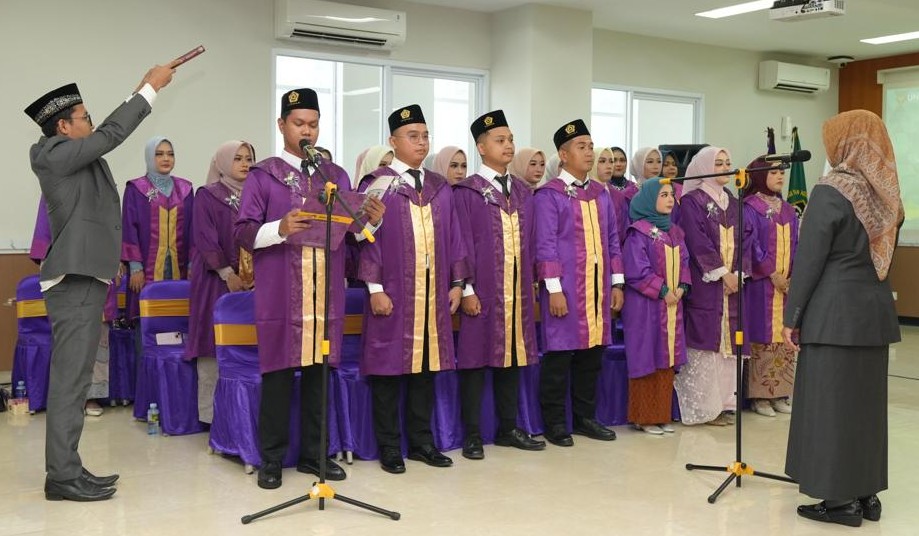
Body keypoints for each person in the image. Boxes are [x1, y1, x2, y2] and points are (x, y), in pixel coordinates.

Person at [24, 65, 175, 502]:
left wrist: (139, 90)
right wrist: (148, 90)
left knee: (75, 380)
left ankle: (67, 468)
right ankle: (62, 476)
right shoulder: (52, 154)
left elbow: (103, 139)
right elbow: (111, 133)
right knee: (71, 381)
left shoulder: (77, 158)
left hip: (87, 279)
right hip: (73, 283)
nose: (92, 124)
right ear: (63, 127)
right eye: (85, 117)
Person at [234, 88, 384, 489]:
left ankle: (315, 455)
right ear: (281, 125)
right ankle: (271, 459)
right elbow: (243, 232)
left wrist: (372, 219)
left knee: (320, 375)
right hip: (281, 290)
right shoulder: (264, 175)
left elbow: (355, 235)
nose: (307, 131)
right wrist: (279, 228)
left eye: (313, 125)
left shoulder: (333, 176)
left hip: (325, 291)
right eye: (299, 123)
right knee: (279, 374)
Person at [783, 110, 902, 527]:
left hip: (832, 317)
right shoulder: (887, 194)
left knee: (830, 408)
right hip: (873, 316)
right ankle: (867, 496)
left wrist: (792, 315)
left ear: (845, 142)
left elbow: (810, 260)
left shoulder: (831, 190)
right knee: (865, 410)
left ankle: (839, 503)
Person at [357, 104, 468, 473]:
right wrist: (374, 288)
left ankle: (422, 442)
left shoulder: (439, 186)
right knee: (388, 371)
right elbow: (366, 239)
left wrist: (457, 283)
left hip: (433, 293)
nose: (421, 143)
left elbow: (454, 236)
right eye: (412, 136)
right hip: (393, 290)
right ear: (393, 141)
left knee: (426, 368)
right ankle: (389, 446)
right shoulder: (378, 184)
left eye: (425, 136)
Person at [454, 110, 546, 460]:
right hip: (482, 291)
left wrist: (533, 283)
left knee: (513, 358)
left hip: (517, 291)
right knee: (475, 362)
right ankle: (472, 435)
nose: (508, 145)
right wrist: (466, 289)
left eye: (510, 140)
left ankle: (508, 428)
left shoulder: (522, 191)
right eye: (500, 140)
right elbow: (460, 243)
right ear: (481, 147)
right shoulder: (466, 192)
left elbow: (532, 240)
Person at [534, 119, 624, 447]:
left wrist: (617, 284)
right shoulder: (550, 195)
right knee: (560, 357)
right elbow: (545, 244)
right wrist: (554, 289)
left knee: (592, 357)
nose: (588, 152)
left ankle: (585, 418)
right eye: (581, 147)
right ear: (563, 154)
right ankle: (555, 422)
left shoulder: (601, 194)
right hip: (566, 289)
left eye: (590, 146)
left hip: (597, 289)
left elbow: (613, 239)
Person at [673, 146, 749, 426]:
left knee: (730, 345)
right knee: (706, 342)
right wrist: (722, 273)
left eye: (728, 162)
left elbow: (746, 239)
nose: (726, 167)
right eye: (719, 163)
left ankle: (726, 403)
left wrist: (737, 274)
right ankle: (706, 408)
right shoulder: (692, 202)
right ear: (705, 166)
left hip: (733, 285)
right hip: (707, 283)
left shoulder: (734, 202)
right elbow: (697, 240)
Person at [186, 141, 256, 424]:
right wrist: (228, 274)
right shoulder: (208, 195)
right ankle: (211, 416)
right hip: (215, 280)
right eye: (237, 158)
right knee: (212, 342)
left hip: (253, 283)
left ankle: (243, 414)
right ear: (223, 163)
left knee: (247, 344)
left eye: (249, 158)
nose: (245, 163)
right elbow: (205, 238)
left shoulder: (256, 194)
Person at [29, 197, 112, 417]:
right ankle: (68, 398)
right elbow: (45, 228)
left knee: (95, 333)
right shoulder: (54, 186)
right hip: (63, 267)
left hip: (95, 267)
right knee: (68, 336)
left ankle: (92, 395)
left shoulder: (101, 188)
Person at [622, 178, 689, 435]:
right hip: (646, 308)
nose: (670, 199)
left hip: (672, 305)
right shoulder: (638, 233)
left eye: (671, 195)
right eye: (663, 195)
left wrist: (682, 287)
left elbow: (685, 262)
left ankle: (661, 415)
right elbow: (636, 269)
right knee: (647, 356)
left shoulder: (675, 232)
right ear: (649, 199)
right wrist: (662, 290)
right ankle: (644, 417)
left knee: (666, 358)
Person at [742, 157, 797, 418]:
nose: (780, 176)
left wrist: (793, 276)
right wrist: (771, 273)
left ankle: (780, 393)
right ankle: (760, 396)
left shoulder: (788, 210)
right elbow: (750, 244)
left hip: (786, 286)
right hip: (761, 286)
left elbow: (797, 244)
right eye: (773, 172)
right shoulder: (750, 207)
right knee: (762, 334)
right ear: (760, 175)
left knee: (785, 334)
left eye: (781, 172)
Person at [121, 136, 194, 320]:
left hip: (180, 266)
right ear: (149, 157)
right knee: (147, 317)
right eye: (159, 154)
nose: (166, 159)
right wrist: (135, 267)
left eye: (170, 154)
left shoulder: (185, 189)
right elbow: (129, 228)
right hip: (146, 266)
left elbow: (193, 229)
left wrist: (193, 264)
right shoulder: (136, 189)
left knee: (178, 316)